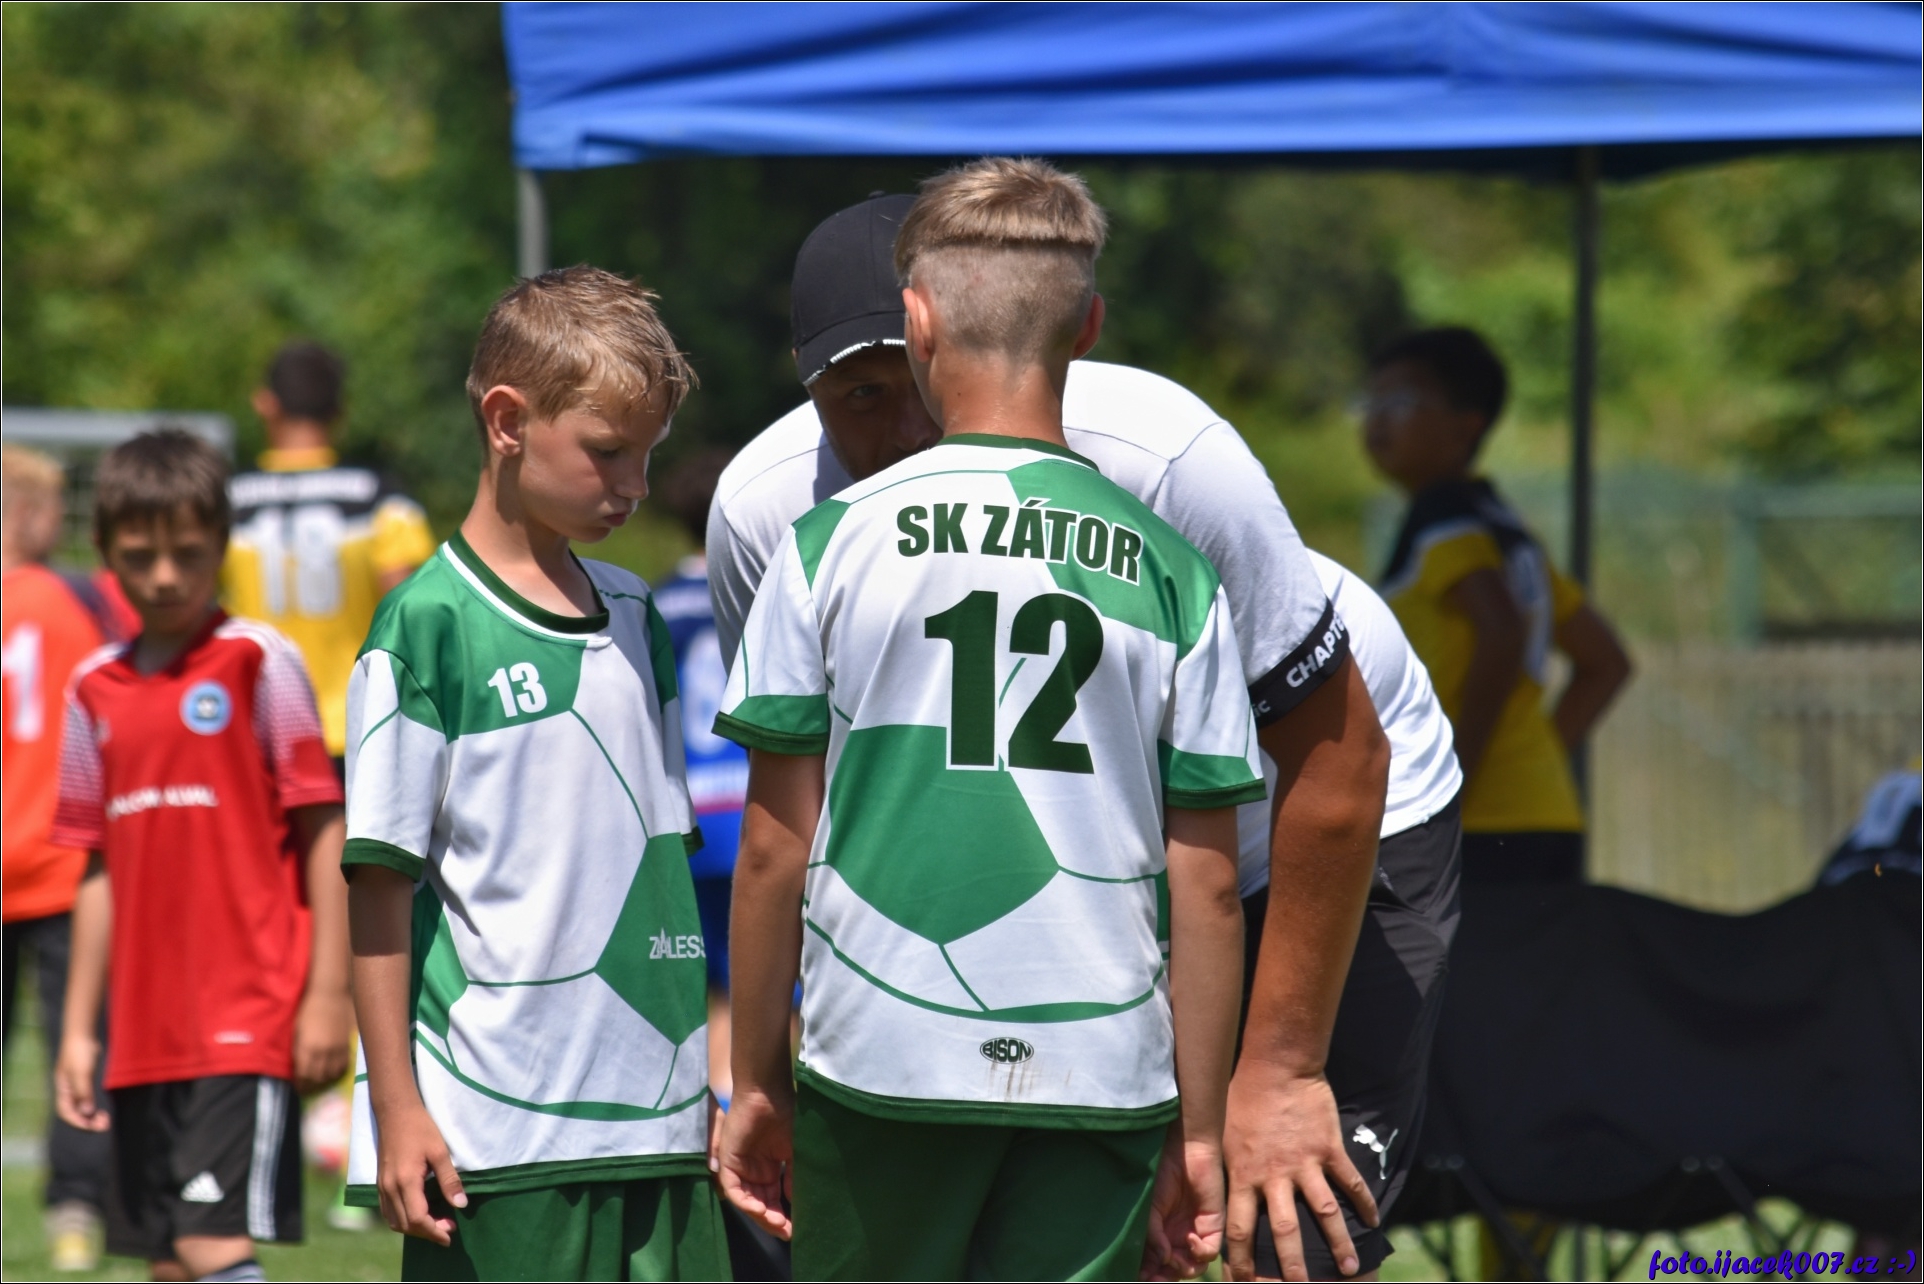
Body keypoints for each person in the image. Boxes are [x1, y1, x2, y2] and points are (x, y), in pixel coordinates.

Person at [710, 191, 1453, 1279]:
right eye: (859, 399)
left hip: (1306, 816)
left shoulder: (1167, 462)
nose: (903, 428)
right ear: (804, 383)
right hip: (1100, 890)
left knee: (1273, 1235)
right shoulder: (771, 514)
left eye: (905, 384)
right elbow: (810, 823)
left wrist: (1271, 1075)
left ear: (933, 332)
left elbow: (1340, 765)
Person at [340, 267, 729, 1282]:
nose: (635, 485)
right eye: (608, 452)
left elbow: (660, 869)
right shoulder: (426, 626)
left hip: (660, 1117)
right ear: (509, 421)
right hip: (500, 1130)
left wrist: (703, 1075)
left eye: (649, 454)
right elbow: (378, 888)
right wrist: (395, 1108)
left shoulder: (637, 613)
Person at [50, 429, 352, 1283]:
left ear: (222, 545)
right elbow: (97, 870)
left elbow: (324, 829)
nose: (164, 577)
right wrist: (79, 1032)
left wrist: (328, 995)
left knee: (210, 1245)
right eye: (139, 557)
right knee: (167, 1259)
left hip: (246, 1013)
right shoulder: (92, 689)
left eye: (187, 554)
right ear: (104, 551)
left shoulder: (258, 661)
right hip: (141, 1030)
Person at [1364, 327, 1632, 885]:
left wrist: (1452, 777)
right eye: (1373, 400)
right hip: (1545, 811)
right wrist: (1538, 758)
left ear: (1466, 426)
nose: (1377, 419)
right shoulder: (1508, 531)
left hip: (1481, 826)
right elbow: (1605, 662)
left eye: (1401, 401)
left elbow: (1502, 629)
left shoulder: (1443, 517)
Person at [2, 445, 114, 1272]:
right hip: (66, 863)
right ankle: (75, 1211)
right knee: (80, 1045)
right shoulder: (80, 600)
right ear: (40, 517)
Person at [224, 340, 435, 765]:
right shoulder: (382, 500)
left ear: (265, 404)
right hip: (357, 728)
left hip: (258, 728)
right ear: (340, 410)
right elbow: (410, 617)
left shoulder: (226, 503)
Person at [650, 450, 751, 1105]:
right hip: (752, 814)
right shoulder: (758, 593)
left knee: (713, 984)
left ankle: (715, 1121)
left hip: (688, 819)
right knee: (770, 989)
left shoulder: (653, 602)